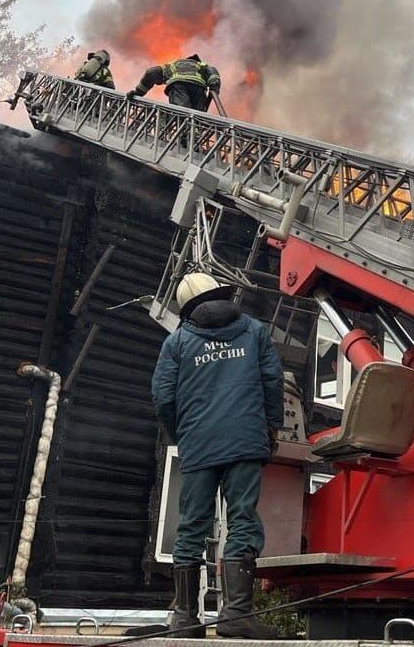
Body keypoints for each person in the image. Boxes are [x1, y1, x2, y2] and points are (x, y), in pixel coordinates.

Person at [151, 271, 284, 639]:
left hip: (198, 444)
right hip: (245, 439)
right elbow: (272, 381)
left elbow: (163, 397)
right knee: (242, 518)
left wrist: (184, 433)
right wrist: (271, 427)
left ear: (186, 308)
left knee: (192, 524)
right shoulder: (254, 331)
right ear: (221, 295)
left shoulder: (177, 343)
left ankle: (185, 618)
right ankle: (236, 613)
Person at [127, 54, 221, 111]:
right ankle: (193, 134)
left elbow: (151, 72)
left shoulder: (173, 65)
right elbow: (213, 76)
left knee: (181, 113)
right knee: (197, 119)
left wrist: (138, 92)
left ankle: (184, 133)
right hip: (199, 89)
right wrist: (214, 87)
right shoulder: (202, 65)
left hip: (178, 87)